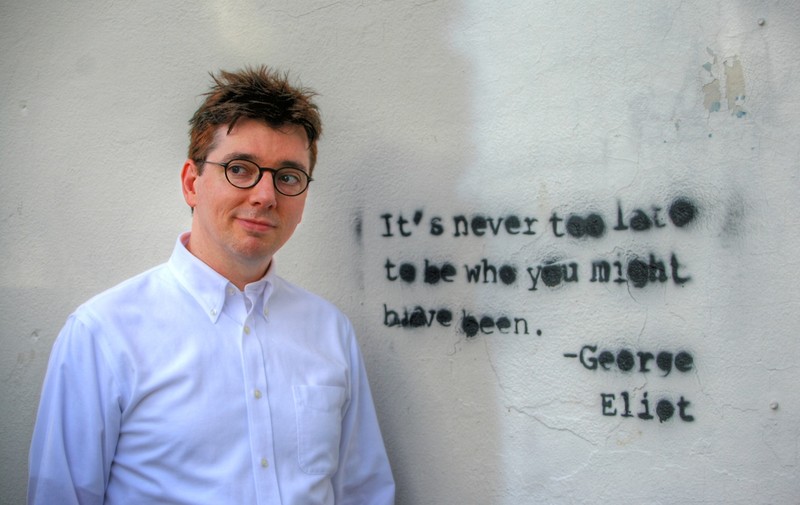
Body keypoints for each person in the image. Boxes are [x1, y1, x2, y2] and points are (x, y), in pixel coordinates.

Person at [28, 66, 395, 505]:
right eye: (240, 168)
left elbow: (363, 493)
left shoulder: (330, 331)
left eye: (288, 176)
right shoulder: (103, 334)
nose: (265, 196)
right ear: (191, 183)